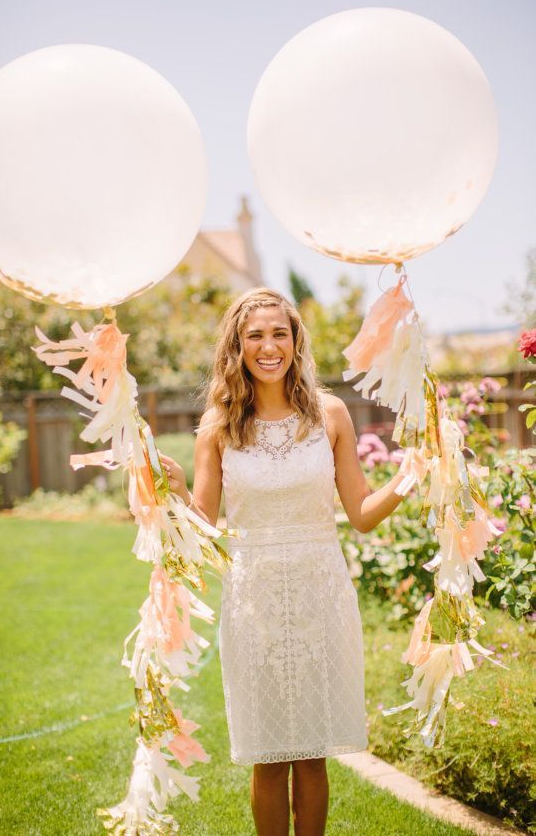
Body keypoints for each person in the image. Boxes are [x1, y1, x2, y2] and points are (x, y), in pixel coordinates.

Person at [158, 287, 412, 836]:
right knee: (269, 757)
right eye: (255, 335)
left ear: (296, 341)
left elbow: (361, 514)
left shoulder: (331, 413)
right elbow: (204, 530)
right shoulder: (217, 425)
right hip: (254, 602)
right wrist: (176, 493)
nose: (269, 346)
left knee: (313, 754)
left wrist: (413, 472)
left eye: (280, 333)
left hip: (322, 594)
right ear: (237, 346)